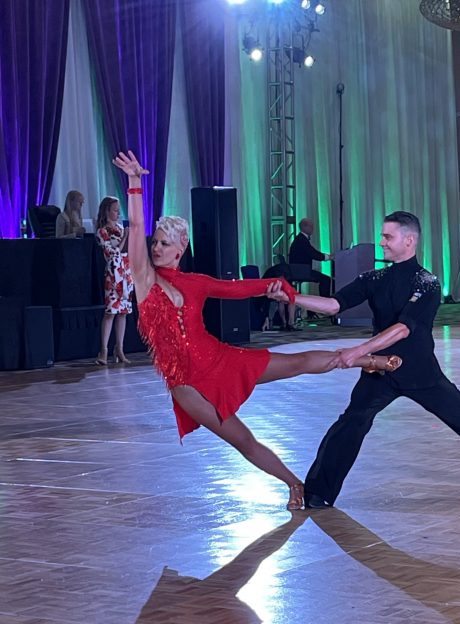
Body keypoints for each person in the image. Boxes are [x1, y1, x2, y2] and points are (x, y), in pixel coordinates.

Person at [112, 151, 402, 511]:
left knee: (294, 363)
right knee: (243, 440)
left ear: (181, 248)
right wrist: (135, 184)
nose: (156, 248)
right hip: (187, 385)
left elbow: (235, 289)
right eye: (155, 242)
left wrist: (276, 286)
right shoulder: (144, 280)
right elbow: (135, 231)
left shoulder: (196, 282)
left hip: (221, 360)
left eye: (164, 243)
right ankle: (293, 482)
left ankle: (365, 359)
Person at [268, 211, 460, 509]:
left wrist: (358, 351)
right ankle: (318, 493)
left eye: (388, 237)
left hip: (420, 372)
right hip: (379, 372)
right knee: (351, 423)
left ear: (409, 240)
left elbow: (403, 329)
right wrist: (292, 297)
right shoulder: (374, 277)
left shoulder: (427, 282)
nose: (382, 242)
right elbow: (335, 305)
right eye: (382, 237)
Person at [95, 196, 134, 365]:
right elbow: (112, 253)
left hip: (125, 272)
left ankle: (120, 348)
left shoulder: (119, 228)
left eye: (119, 210)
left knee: (123, 313)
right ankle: (103, 350)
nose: (118, 213)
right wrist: (125, 237)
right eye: (115, 210)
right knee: (111, 312)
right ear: (107, 211)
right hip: (113, 274)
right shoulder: (102, 231)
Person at [289, 218, 333, 298]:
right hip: (301, 271)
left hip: (299, 270)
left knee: (325, 279)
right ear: (304, 227)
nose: (313, 228)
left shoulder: (300, 238)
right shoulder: (301, 240)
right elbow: (313, 253)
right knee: (326, 279)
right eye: (311, 226)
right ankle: (325, 304)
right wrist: (328, 257)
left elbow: (312, 252)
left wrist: (327, 256)